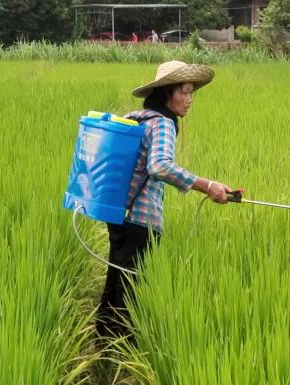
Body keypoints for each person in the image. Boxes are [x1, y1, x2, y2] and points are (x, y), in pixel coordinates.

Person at [96, 61, 234, 341]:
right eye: (184, 92)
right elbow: (159, 166)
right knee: (131, 290)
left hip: (118, 213)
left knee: (116, 283)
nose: (190, 100)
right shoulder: (162, 123)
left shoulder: (137, 117)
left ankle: (103, 346)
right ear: (167, 92)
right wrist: (207, 186)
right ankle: (124, 354)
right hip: (141, 220)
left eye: (192, 93)